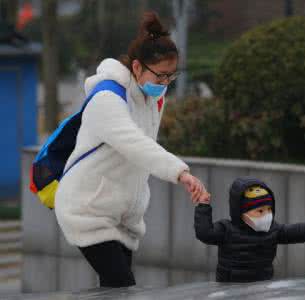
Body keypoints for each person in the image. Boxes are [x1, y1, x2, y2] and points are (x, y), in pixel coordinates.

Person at [55, 11, 207, 288]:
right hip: (87, 209)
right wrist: (181, 173)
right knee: (122, 285)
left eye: (171, 78)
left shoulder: (151, 100)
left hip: (122, 215)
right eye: (160, 76)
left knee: (115, 290)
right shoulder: (106, 99)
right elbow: (136, 145)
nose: (164, 85)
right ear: (137, 67)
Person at [194, 177, 305, 283]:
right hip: (230, 289)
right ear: (240, 212)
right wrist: (203, 206)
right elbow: (205, 233)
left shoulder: (272, 230)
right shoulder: (226, 230)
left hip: (262, 287)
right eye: (260, 211)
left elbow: (296, 232)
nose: (266, 215)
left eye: (269, 210)